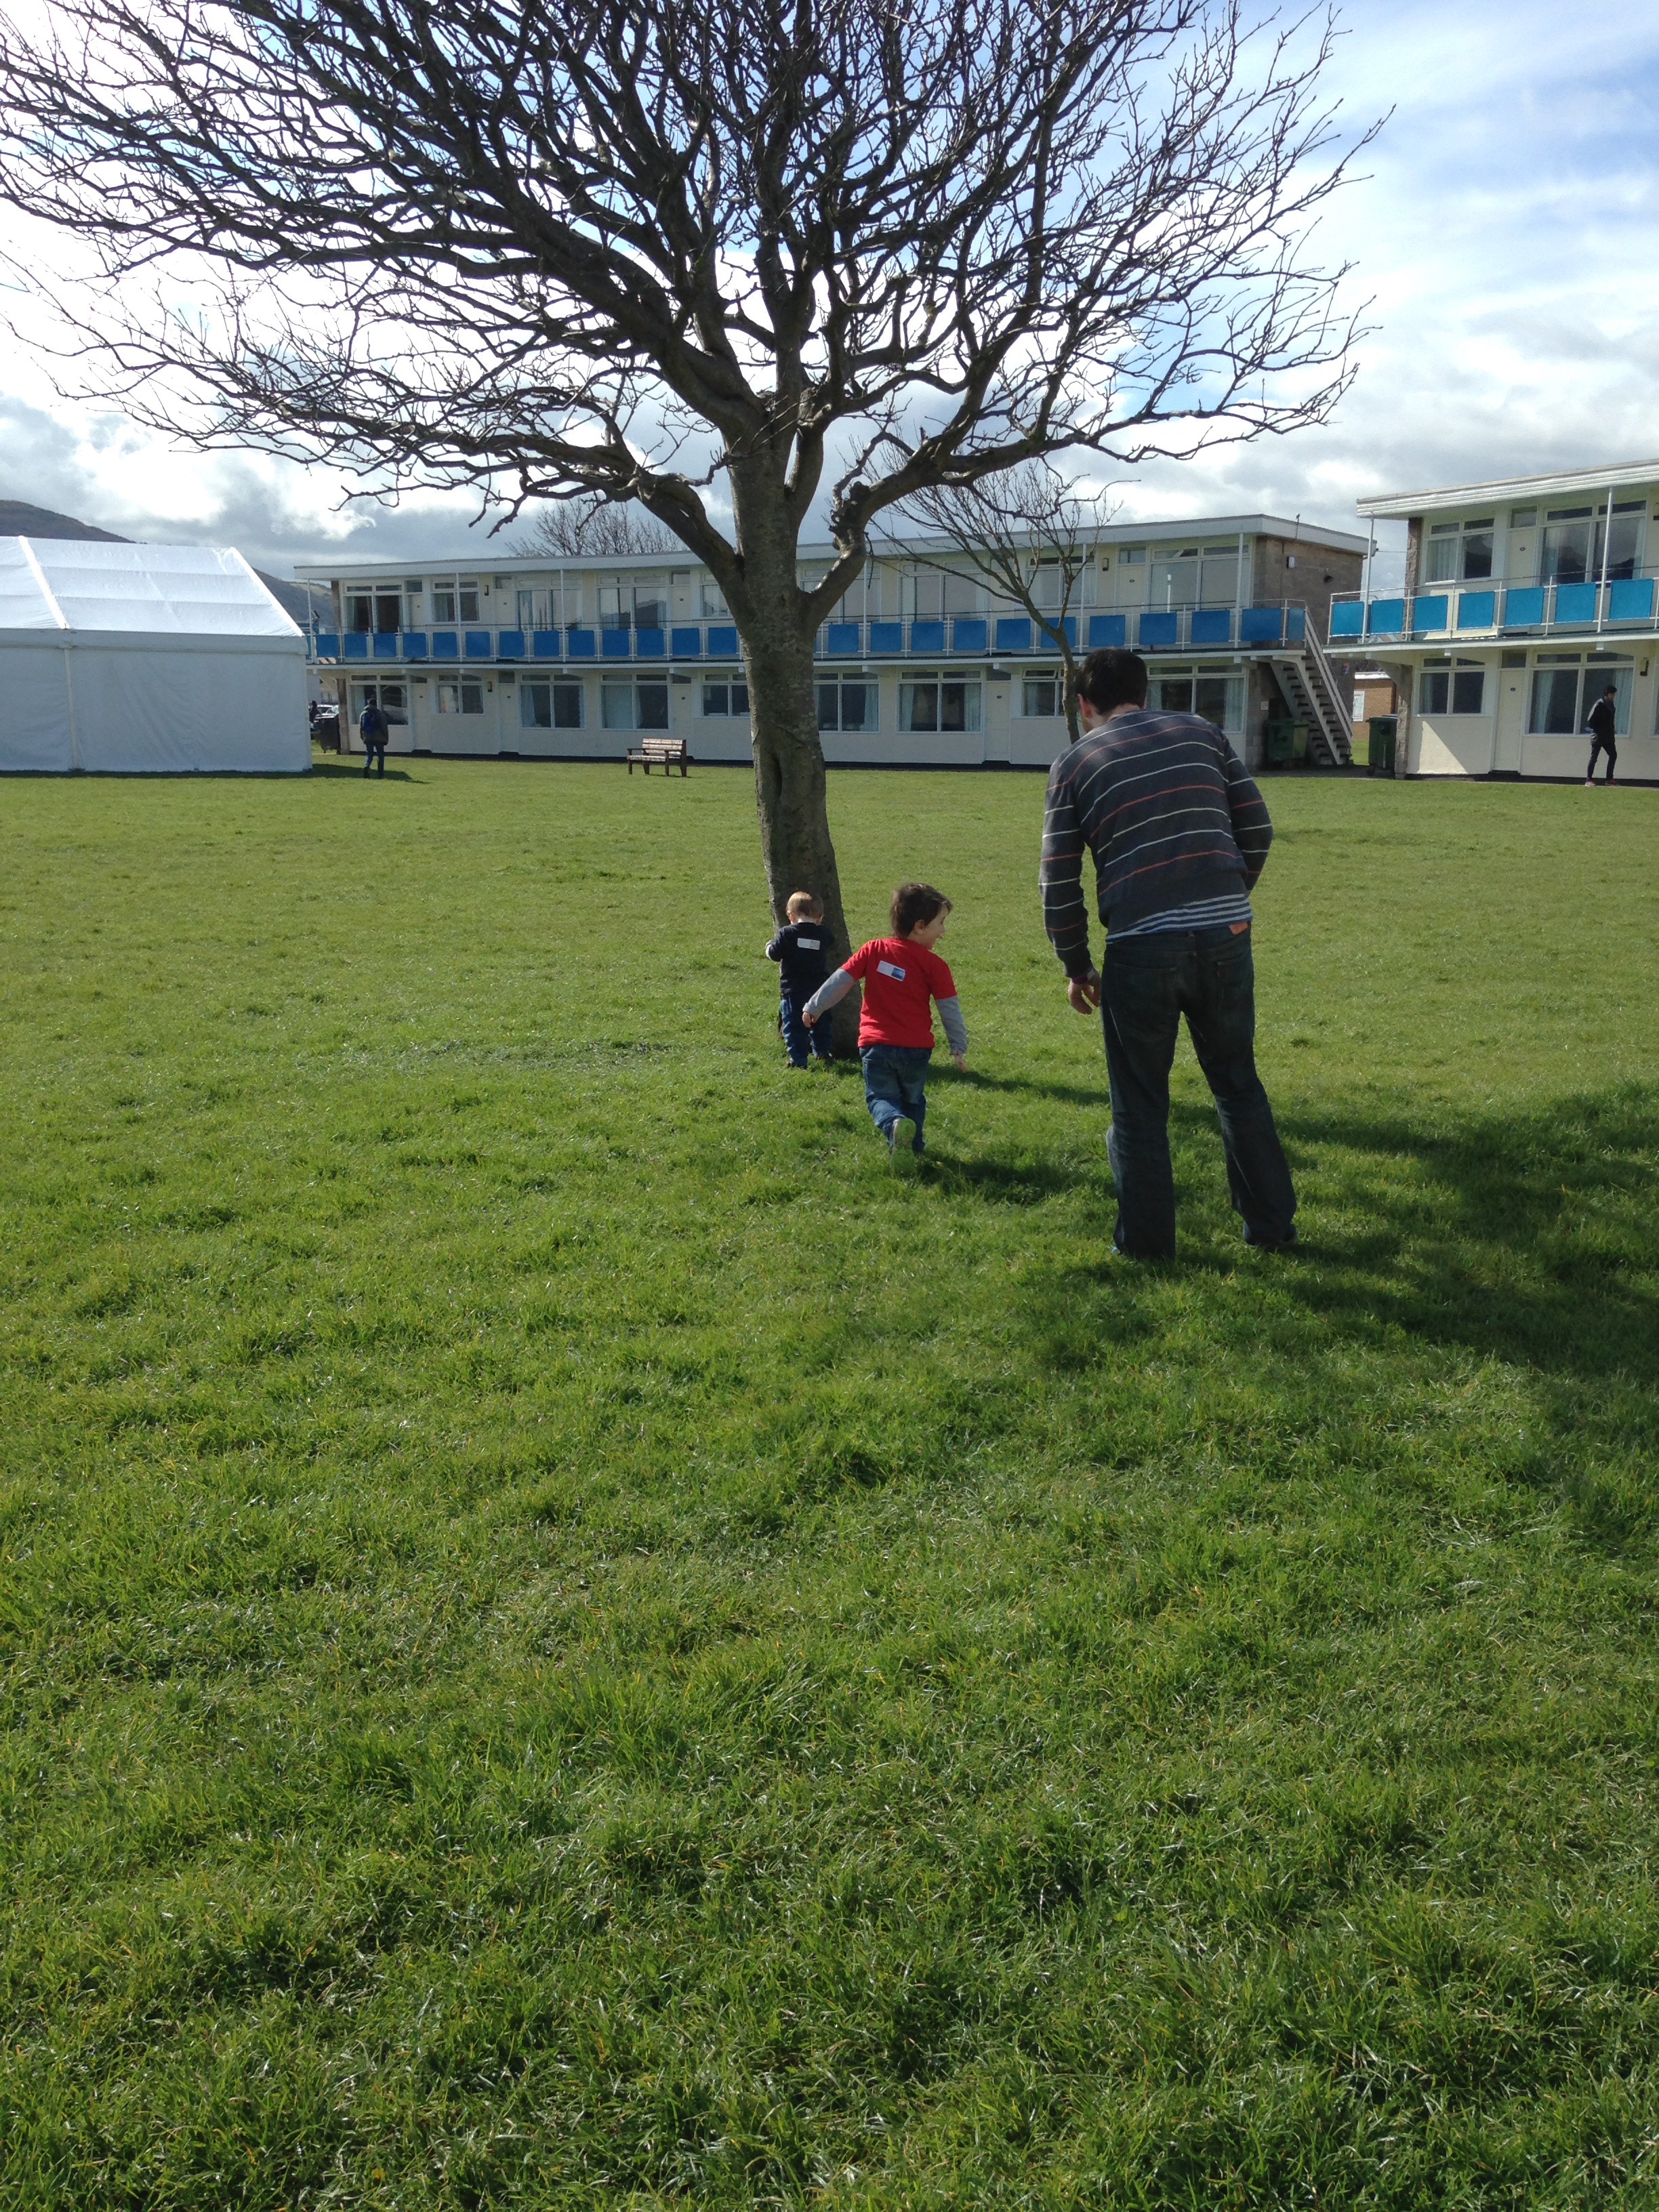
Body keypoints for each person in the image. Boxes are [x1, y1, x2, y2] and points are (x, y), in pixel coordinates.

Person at [1042, 647, 1296, 1259]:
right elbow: (1258, 829)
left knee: (1140, 1106)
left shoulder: (1074, 763)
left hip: (1139, 945)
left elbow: (1058, 881)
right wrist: (1227, 899)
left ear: (1084, 704)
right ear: (1145, 692)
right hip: (1226, 936)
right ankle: (1272, 1229)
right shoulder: (1203, 733)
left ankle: (1146, 1248)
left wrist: (1076, 965)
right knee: (1238, 1085)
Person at [803, 882, 968, 1157]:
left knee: (880, 1098)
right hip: (916, 1050)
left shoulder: (873, 950)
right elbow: (949, 1009)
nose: (944, 931)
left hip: (876, 1047)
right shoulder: (936, 966)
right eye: (940, 923)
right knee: (913, 1101)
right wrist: (958, 1046)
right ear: (920, 926)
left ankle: (893, 1126)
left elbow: (841, 981)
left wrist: (814, 1007)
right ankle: (913, 1150)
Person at [766, 893, 836, 1067]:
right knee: (822, 1023)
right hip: (819, 989)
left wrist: (769, 947)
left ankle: (798, 1059)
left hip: (793, 989)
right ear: (820, 918)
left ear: (791, 916)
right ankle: (822, 1052)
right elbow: (831, 941)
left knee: (794, 1025)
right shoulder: (823, 934)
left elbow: (775, 954)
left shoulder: (787, 933)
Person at [1584, 683, 1618, 785]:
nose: (1613, 697)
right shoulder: (1599, 705)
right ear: (1606, 695)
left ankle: (1609, 779)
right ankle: (1589, 779)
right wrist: (1599, 729)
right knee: (1594, 758)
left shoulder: (1612, 706)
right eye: (1611, 695)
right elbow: (1590, 720)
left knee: (1613, 755)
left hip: (1608, 737)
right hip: (1598, 736)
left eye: (1614, 695)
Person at [359, 696, 388, 777]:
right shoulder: (380, 714)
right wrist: (386, 738)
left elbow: (361, 727)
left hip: (368, 737)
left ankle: (367, 766)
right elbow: (384, 727)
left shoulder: (363, 714)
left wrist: (363, 737)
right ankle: (381, 774)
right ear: (376, 704)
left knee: (369, 754)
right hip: (379, 738)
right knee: (380, 756)